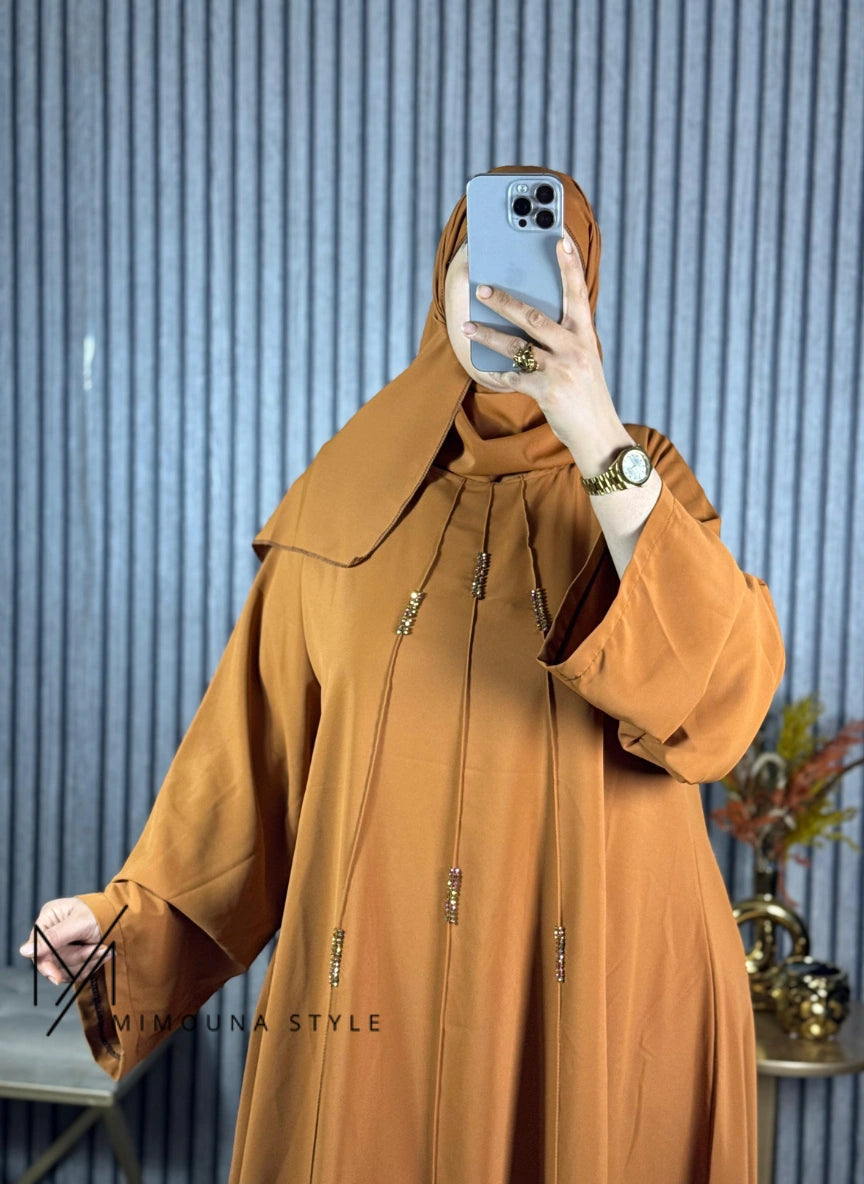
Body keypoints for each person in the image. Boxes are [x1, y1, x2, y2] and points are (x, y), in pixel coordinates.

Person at [20, 165, 784, 1183]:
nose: (504, 293)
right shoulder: (347, 496)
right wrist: (127, 927)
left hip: (598, 999)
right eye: (481, 264)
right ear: (443, 285)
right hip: (377, 1001)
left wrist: (593, 426)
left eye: (543, 269)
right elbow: (249, 768)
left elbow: (722, 699)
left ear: (583, 293)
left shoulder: (641, 484)